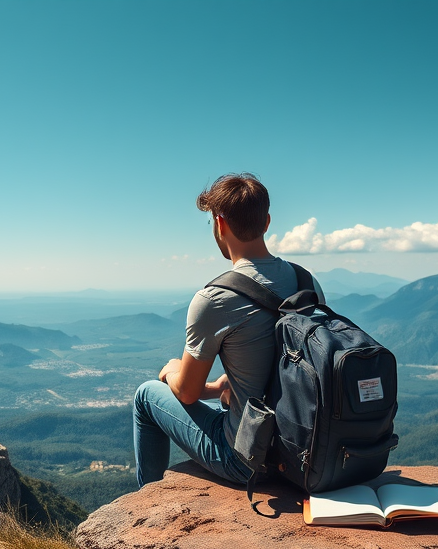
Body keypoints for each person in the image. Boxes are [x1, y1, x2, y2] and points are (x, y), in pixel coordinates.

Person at [133, 173, 325, 487]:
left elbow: (186, 392)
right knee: (214, 401)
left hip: (247, 459)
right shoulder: (307, 282)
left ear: (220, 225)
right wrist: (228, 385)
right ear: (266, 222)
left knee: (145, 396)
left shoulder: (215, 299)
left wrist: (171, 371)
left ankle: (143, 499)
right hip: (303, 450)